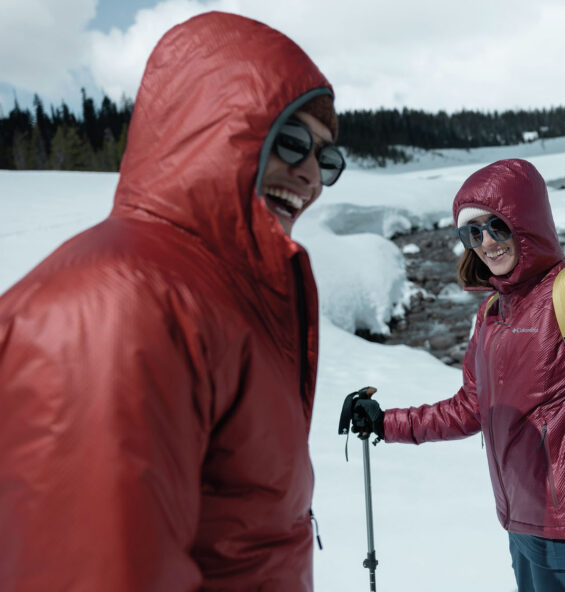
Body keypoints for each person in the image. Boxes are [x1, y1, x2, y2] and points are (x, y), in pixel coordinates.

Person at [0, 11, 345, 591]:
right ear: (211, 129)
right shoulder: (119, 306)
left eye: (327, 158)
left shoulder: (229, 292)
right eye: (291, 141)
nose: (311, 174)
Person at [352, 159, 565, 592]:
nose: (486, 243)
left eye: (496, 226)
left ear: (526, 221)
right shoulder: (491, 314)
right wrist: (386, 422)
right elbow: (469, 409)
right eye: (471, 232)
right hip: (520, 528)